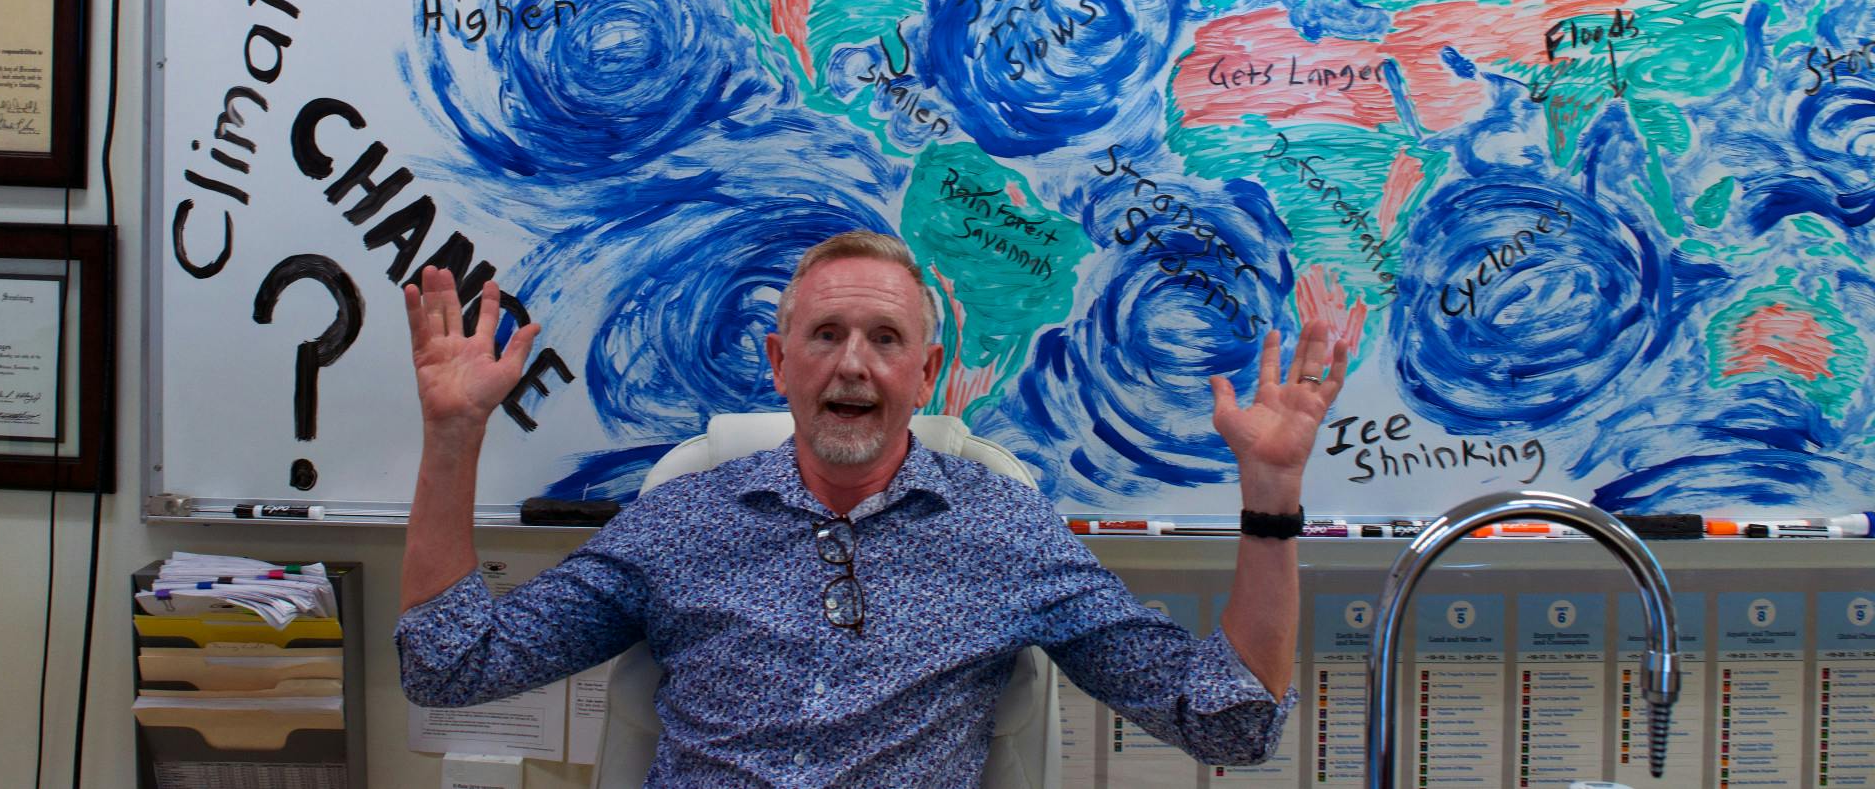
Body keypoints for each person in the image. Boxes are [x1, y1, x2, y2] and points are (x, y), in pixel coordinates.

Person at [396, 230, 1351, 786]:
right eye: (826, 333)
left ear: (925, 373)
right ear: (780, 364)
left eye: (885, 337)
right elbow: (449, 666)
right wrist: (452, 438)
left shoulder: (1006, 532)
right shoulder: (677, 519)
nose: (853, 361)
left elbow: (1229, 724)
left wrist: (1271, 499)